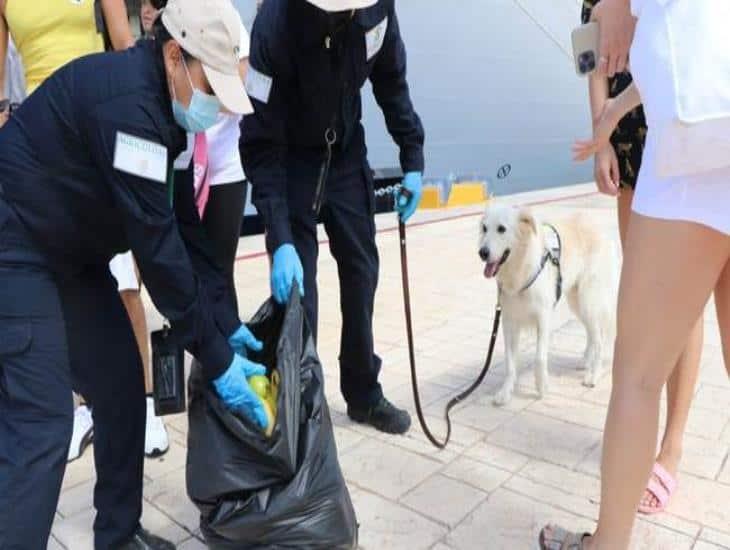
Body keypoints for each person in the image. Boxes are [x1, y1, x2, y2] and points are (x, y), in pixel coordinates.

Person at [0, 0, 270, 547]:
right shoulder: (131, 112)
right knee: (42, 422)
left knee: (123, 383)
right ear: (175, 55)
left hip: (69, 255)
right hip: (14, 246)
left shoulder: (163, 106)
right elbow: (160, 255)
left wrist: (224, 319)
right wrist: (216, 360)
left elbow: (188, 227)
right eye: (212, 88)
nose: (216, 107)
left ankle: (118, 536)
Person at [540, 1, 730, 548]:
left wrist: (617, 4)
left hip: (695, 155)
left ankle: (609, 542)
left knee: (637, 375)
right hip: (694, 122)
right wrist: (617, 107)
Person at [241, 0, 424, 435]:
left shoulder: (376, 11)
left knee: (362, 272)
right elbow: (259, 138)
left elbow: (391, 81)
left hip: (343, 154)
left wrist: (411, 155)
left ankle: (363, 393)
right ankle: (303, 405)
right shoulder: (275, 22)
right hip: (289, 161)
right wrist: (279, 233)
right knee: (300, 294)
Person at [581, 0, 703, 516]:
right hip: (630, 139)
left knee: (685, 297)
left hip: (685, 122)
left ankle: (670, 447)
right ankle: (637, 435)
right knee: (641, 292)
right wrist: (601, 137)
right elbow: (589, 55)